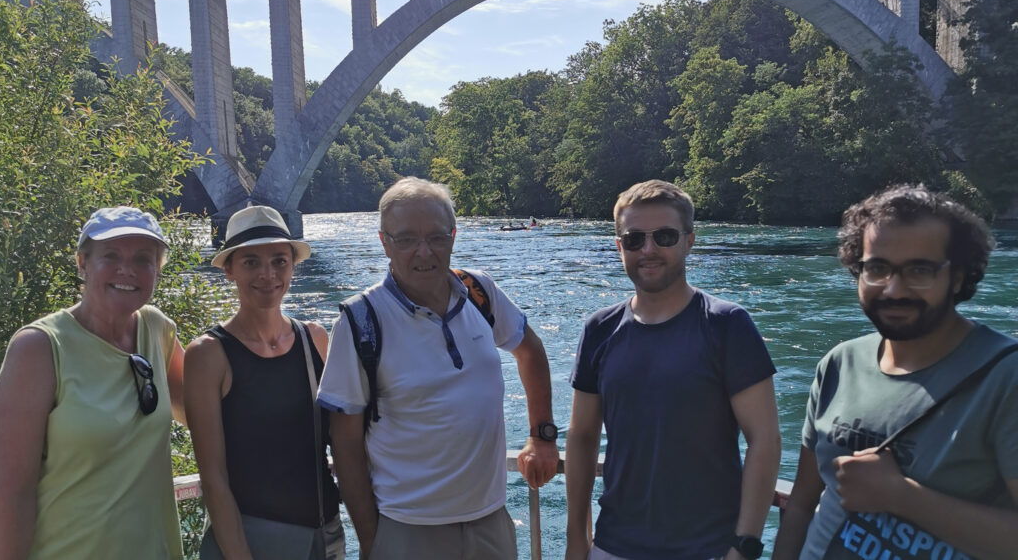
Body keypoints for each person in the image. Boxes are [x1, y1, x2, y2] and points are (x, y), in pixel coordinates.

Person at [316, 177, 559, 560]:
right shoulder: (362, 321)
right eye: (406, 239)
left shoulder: (480, 292)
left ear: (454, 236)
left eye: (437, 237)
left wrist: (542, 436)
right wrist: (372, 540)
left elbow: (530, 351)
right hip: (408, 529)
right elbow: (345, 444)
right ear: (384, 242)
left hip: (490, 521)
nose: (424, 252)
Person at [772, 185, 1018, 560]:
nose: (894, 289)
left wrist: (902, 497)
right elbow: (803, 504)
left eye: (919, 270)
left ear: (957, 277)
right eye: (877, 268)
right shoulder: (840, 363)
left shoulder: (1006, 377)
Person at [566, 180, 781, 560]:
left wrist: (743, 546)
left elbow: (764, 439)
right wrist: (575, 540)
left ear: (688, 241)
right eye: (634, 240)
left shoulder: (727, 325)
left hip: (708, 549)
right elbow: (582, 437)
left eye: (664, 236)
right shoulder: (599, 329)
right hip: (613, 545)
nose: (648, 250)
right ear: (620, 248)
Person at [0, 206, 185, 559]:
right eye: (110, 255)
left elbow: (207, 414)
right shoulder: (39, 347)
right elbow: (9, 492)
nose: (126, 269)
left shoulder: (156, 330)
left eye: (143, 258)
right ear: (82, 263)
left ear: (157, 269)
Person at [185, 205, 344, 559]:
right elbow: (213, 478)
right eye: (251, 262)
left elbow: (345, 442)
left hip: (325, 535)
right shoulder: (209, 355)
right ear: (229, 270)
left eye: (279, 261)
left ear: (292, 265)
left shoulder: (314, 340)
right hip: (250, 540)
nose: (268, 274)